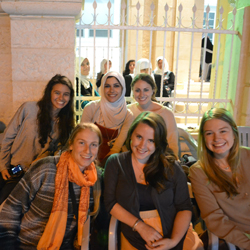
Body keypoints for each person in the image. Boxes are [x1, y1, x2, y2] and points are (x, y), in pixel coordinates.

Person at [0, 123, 102, 250]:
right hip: (25, 245)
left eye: (94, 145)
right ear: (71, 144)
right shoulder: (46, 168)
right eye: (81, 143)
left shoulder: (95, 180)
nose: (88, 150)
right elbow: (11, 211)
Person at [104, 112, 193, 250]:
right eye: (139, 137)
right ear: (131, 135)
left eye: (151, 140)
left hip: (174, 234)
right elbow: (110, 203)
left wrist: (173, 241)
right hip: (133, 235)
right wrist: (140, 226)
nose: (142, 145)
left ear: (158, 143)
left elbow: (184, 207)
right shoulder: (115, 163)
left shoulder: (172, 168)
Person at [0, 74, 75, 204]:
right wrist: (3, 166)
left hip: (35, 174)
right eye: (57, 93)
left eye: (66, 94)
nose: (61, 98)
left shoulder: (65, 123)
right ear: (49, 93)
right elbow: (7, 137)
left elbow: (60, 153)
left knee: (8, 204)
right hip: (14, 168)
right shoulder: (29, 109)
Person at [189, 108, 250, 249]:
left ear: (234, 133)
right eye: (210, 134)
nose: (217, 139)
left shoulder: (248, 156)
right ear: (203, 138)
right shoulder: (199, 172)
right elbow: (214, 219)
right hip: (240, 238)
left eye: (223, 131)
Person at [81, 71, 134, 165]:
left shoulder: (128, 116)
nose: (111, 90)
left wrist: (102, 168)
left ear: (123, 88)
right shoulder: (91, 108)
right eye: (107, 86)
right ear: (102, 87)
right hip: (87, 159)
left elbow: (116, 148)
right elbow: (81, 139)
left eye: (116, 86)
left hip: (113, 162)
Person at [127, 74, 179, 157]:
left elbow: (172, 145)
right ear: (133, 91)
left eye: (146, 90)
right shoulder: (128, 111)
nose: (141, 94)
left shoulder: (167, 114)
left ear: (153, 90)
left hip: (158, 160)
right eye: (137, 90)